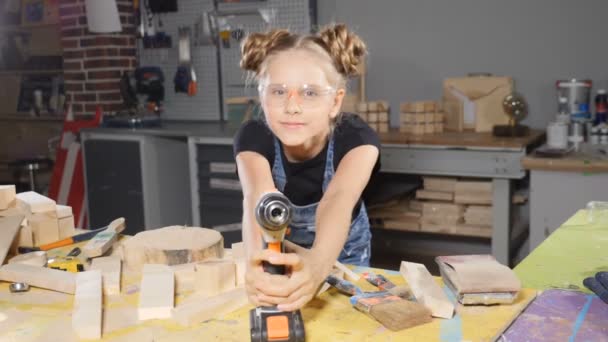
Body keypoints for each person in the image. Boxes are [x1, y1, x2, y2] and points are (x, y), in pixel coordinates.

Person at [233, 23, 380, 311]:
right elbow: (257, 199)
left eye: (310, 93)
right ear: (262, 97)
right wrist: (255, 266)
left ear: (335, 102)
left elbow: (337, 201)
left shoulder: (358, 140)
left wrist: (317, 267)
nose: (292, 107)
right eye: (278, 92)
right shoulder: (253, 137)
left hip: (343, 259)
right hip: (281, 255)